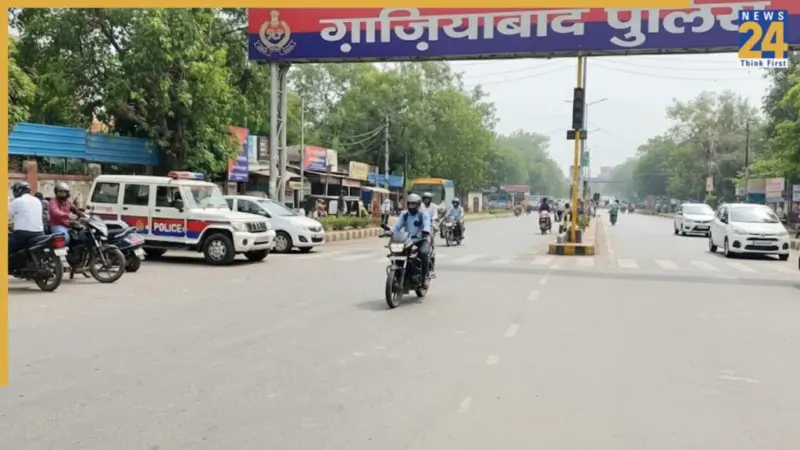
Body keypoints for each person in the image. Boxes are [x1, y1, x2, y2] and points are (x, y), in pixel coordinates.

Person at [391, 193, 433, 286]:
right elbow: (397, 227)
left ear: (418, 205)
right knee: (397, 253)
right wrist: (390, 231)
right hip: (408, 240)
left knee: (423, 253)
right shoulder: (404, 214)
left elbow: (427, 224)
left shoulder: (423, 214)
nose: (412, 206)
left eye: (414, 204)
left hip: (421, 240)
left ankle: (424, 276)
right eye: (410, 204)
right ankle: (399, 273)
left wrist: (426, 231)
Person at [9, 181, 44, 255]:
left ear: (18, 190)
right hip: (40, 233)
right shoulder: (37, 200)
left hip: (23, 234)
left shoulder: (17, 201)